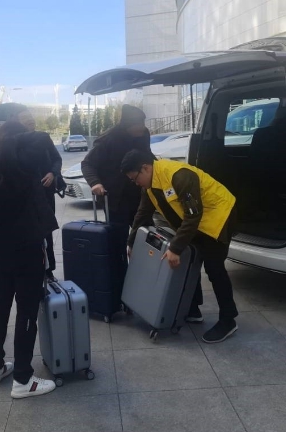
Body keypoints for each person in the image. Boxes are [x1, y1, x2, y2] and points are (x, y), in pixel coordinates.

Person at [0, 121, 59, 399]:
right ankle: (23, 379)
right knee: (26, 310)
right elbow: (41, 140)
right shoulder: (23, 171)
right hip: (26, 250)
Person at [121, 150, 240, 344]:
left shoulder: (178, 175)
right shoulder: (149, 187)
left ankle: (228, 320)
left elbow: (193, 214)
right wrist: (131, 242)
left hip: (219, 216)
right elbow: (142, 214)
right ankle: (193, 309)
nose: (135, 183)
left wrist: (175, 248)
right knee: (189, 260)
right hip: (196, 222)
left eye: (135, 178)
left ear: (145, 168)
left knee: (214, 267)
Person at [81, 104, 150, 226]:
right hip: (115, 198)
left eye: (143, 123)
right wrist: (95, 183)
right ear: (129, 125)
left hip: (139, 193)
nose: (143, 127)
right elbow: (87, 164)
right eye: (139, 124)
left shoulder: (143, 135)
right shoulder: (108, 139)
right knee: (118, 233)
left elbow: (148, 156)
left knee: (144, 231)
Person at [12, 109, 63, 275]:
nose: (30, 120)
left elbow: (57, 158)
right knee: (30, 233)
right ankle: (33, 270)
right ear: (17, 122)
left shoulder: (43, 138)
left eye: (31, 117)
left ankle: (49, 270)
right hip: (25, 195)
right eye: (25, 118)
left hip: (46, 193)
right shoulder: (13, 142)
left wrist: (52, 173)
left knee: (47, 231)